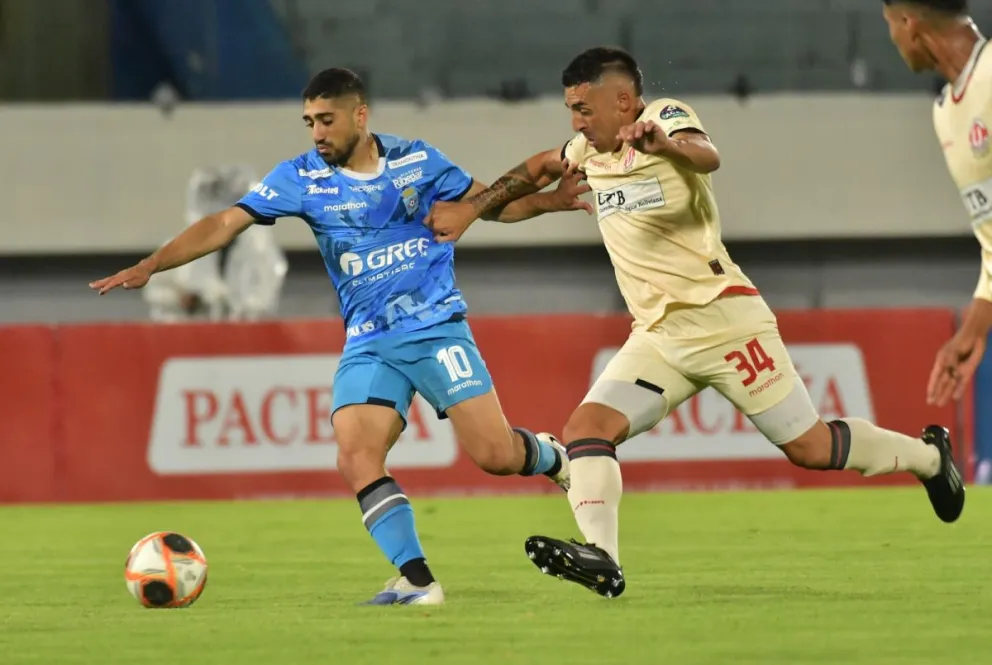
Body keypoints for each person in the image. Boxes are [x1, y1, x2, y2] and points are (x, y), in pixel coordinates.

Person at [425, 46, 966, 599]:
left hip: (725, 321)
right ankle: (602, 558)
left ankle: (928, 457)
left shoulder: (663, 119)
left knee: (812, 447)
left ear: (624, 101)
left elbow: (707, 155)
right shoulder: (585, 151)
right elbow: (536, 168)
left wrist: (668, 146)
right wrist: (474, 209)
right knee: (587, 429)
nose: (577, 121)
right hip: (658, 338)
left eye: (585, 108)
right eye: (571, 109)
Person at [89, 68, 589, 606]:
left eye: (326, 120)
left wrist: (548, 201)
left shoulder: (418, 161)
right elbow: (224, 223)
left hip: (435, 327)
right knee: (356, 454)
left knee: (496, 455)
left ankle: (550, 458)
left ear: (359, 115)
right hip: (369, 340)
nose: (317, 133)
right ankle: (419, 582)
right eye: (309, 122)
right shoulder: (301, 177)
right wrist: (154, 264)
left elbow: (491, 205)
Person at [881, 1, 992, 407]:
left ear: (909, 25)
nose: (892, 39)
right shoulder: (946, 114)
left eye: (889, 26)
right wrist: (974, 328)